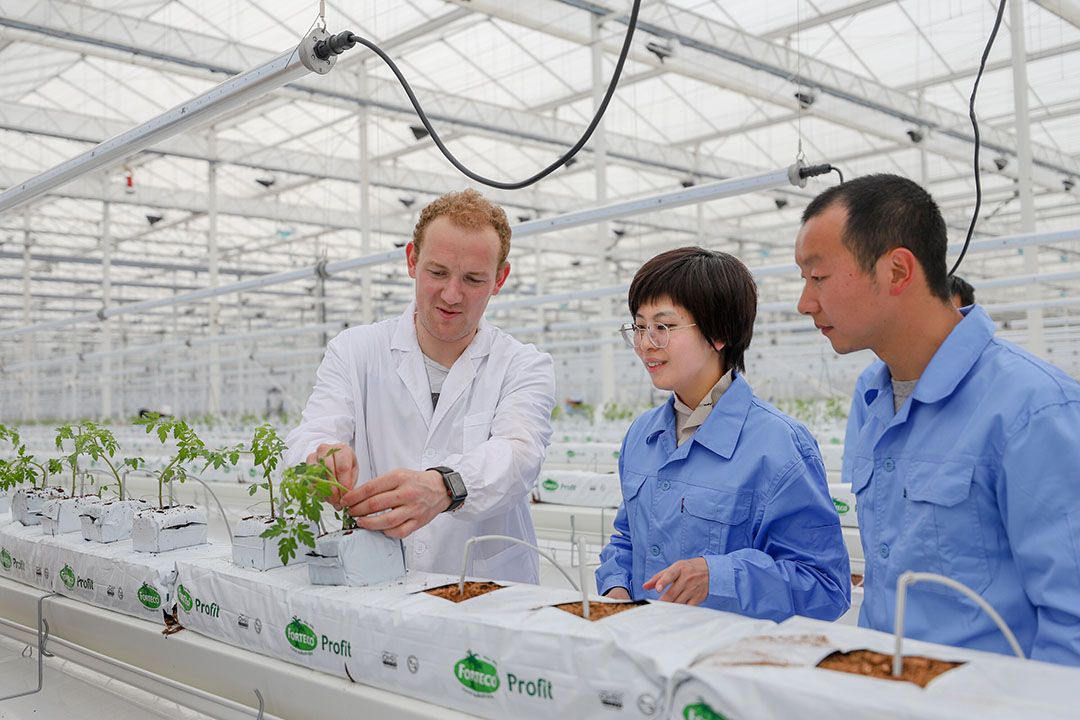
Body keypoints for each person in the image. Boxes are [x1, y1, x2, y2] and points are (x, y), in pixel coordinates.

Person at [795, 173, 1080, 666]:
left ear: (898, 271)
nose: (805, 302)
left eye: (817, 277)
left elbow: (1071, 621)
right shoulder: (870, 398)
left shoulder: (1032, 409)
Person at [285, 189, 556, 583]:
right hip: (377, 578)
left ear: (500, 279)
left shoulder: (522, 365)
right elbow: (312, 432)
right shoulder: (355, 351)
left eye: (474, 279)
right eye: (438, 272)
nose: (451, 295)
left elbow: (519, 455)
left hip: (487, 590)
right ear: (412, 260)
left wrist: (446, 486)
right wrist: (319, 458)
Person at [595, 247, 850, 622]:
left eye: (663, 327)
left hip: (729, 667)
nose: (645, 343)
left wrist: (719, 578)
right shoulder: (641, 436)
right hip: (644, 653)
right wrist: (615, 586)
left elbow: (825, 587)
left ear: (719, 334)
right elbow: (627, 539)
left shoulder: (778, 446)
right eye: (639, 325)